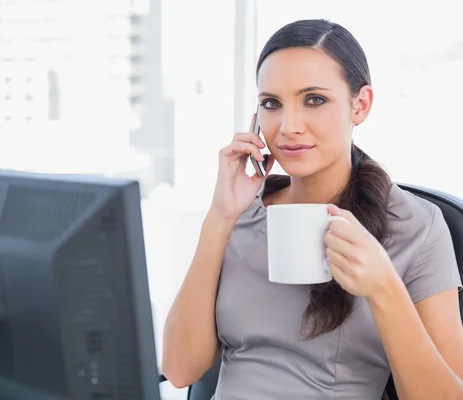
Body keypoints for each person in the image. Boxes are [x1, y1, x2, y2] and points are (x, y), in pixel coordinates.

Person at [161, 19, 463, 399]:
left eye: (314, 100)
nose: (288, 126)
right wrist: (219, 218)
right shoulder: (240, 213)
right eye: (271, 104)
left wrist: (384, 288)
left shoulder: (415, 226)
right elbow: (179, 369)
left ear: (360, 105)